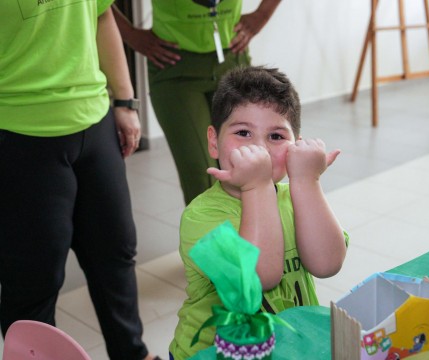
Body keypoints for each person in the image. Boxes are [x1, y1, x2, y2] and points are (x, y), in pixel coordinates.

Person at [0, 3, 160, 360]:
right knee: (33, 278)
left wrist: (124, 100)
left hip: (94, 119)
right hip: (19, 130)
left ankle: (132, 354)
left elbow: (102, 14)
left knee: (115, 253)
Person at [169, 66, 349, 359]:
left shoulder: (298, 196)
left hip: (290, 347)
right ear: (214, 141)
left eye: (276, 136)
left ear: (296, 145)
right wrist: (257, 185)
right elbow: (259, 279)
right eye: (243, 132)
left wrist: (307, 180)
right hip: (216, 352)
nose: (259, 149)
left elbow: (327, 264)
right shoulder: (200, 217)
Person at [112, 0, 281, 205]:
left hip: (233, 60)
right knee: (202, 178)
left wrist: (262, 15)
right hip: (174, 65)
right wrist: (129, 34)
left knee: (247, 168)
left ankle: (252, 235)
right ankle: (214, 237)